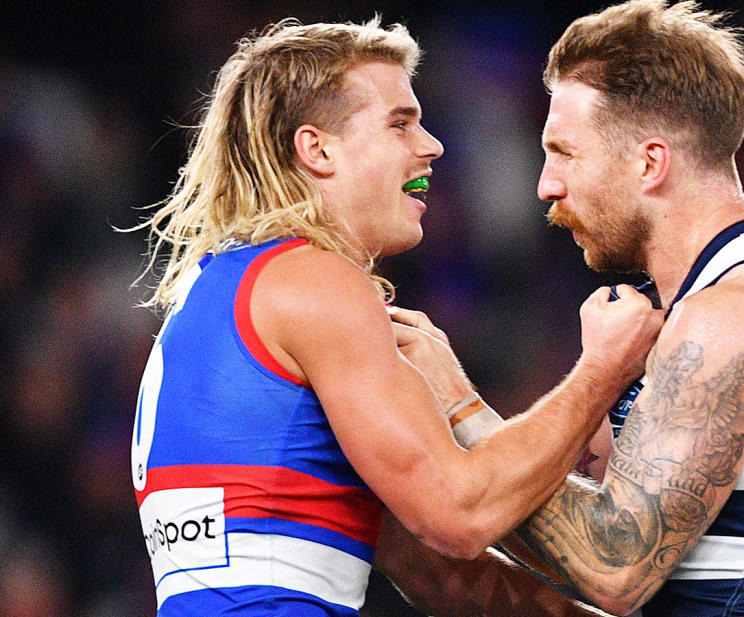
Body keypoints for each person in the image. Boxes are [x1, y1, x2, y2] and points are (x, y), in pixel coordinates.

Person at [128, 16, 663, 617]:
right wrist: (604, 369)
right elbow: (461, 514)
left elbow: (450, 581)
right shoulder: (314, 281)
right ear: (317, 149)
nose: (431, 145)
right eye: (399, 123)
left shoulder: (217, 299)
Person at [378, 2, 744, 616]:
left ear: (650, 162)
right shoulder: (694, 305)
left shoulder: (733, 313)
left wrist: (456, 404)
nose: (546, 185)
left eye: (565, 154)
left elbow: (615, 568)